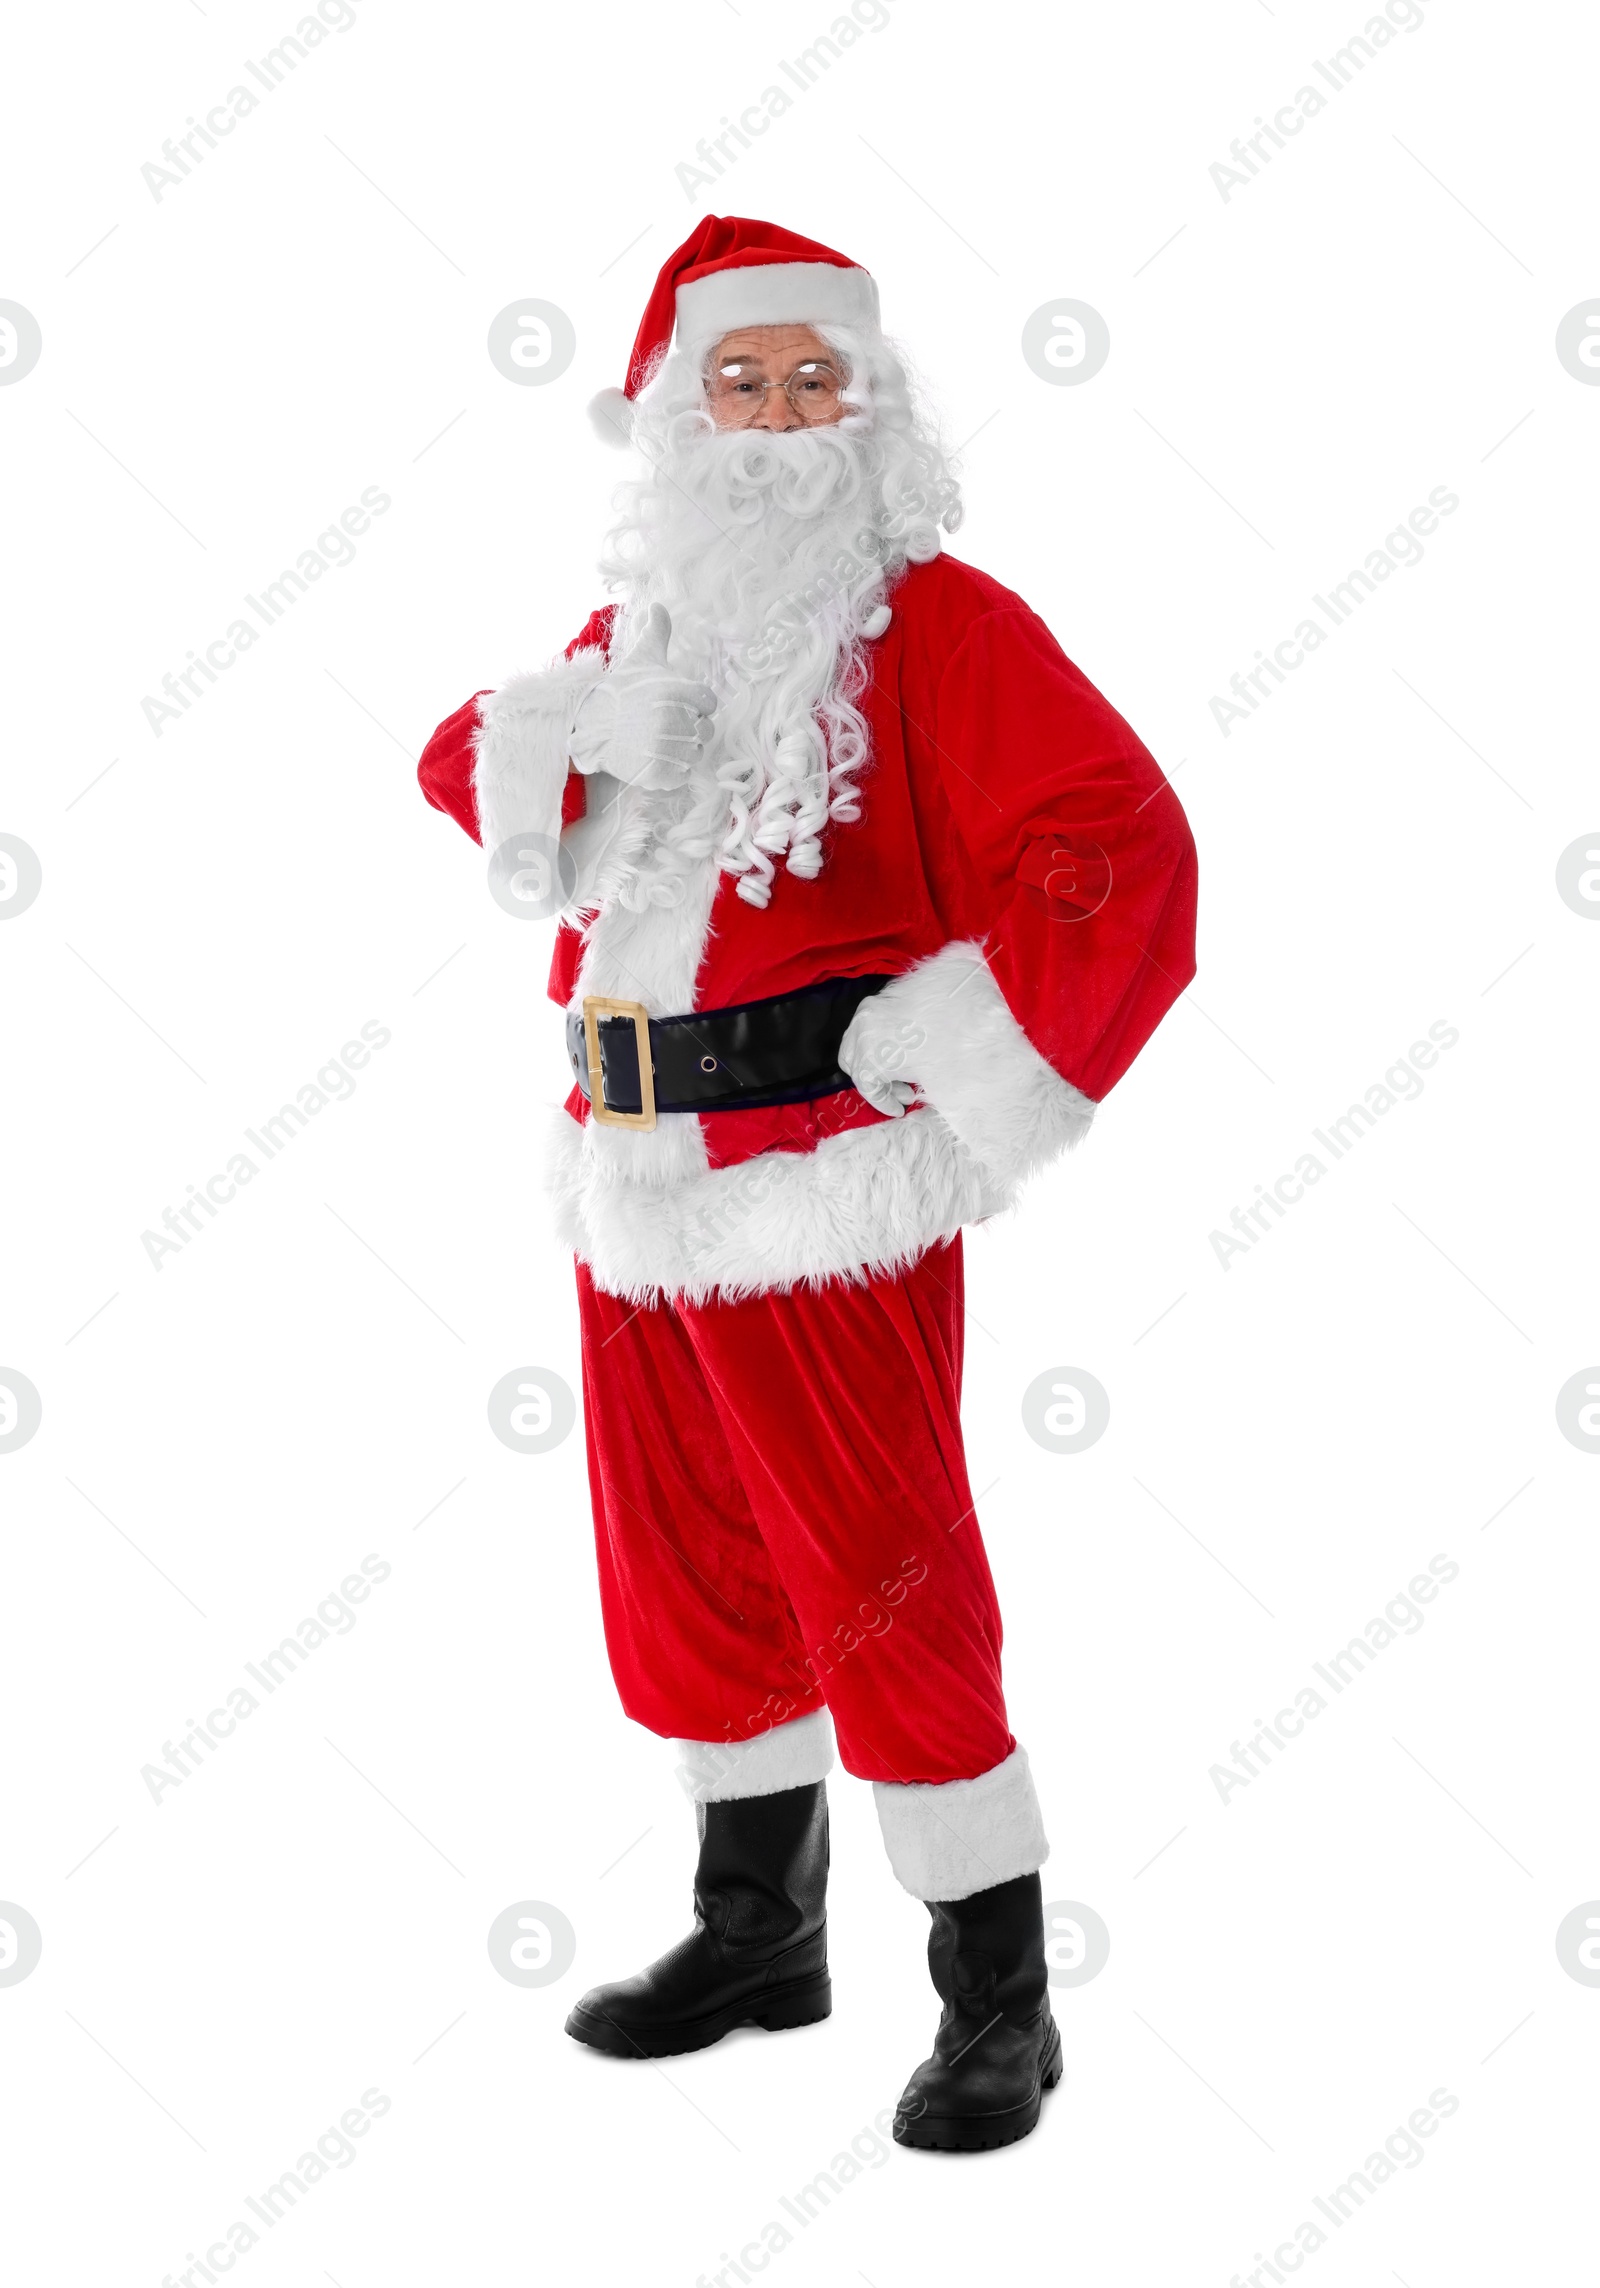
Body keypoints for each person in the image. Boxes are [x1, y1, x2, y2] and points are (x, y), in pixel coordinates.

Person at [417, 215, 1197, 2152]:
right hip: (629, 1177)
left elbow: (1119, 841)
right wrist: (545, 737)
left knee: (879, 1576)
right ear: (673, 419)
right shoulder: (644, 632)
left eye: (807, 381)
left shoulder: (937, 627)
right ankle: (754, 1930)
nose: (771, 420)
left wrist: (954, 1031)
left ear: (865, 409)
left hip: (818, 1188)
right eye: (734, 385)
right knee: (683, 1569)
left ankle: (996, 1997)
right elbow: (462, 762)